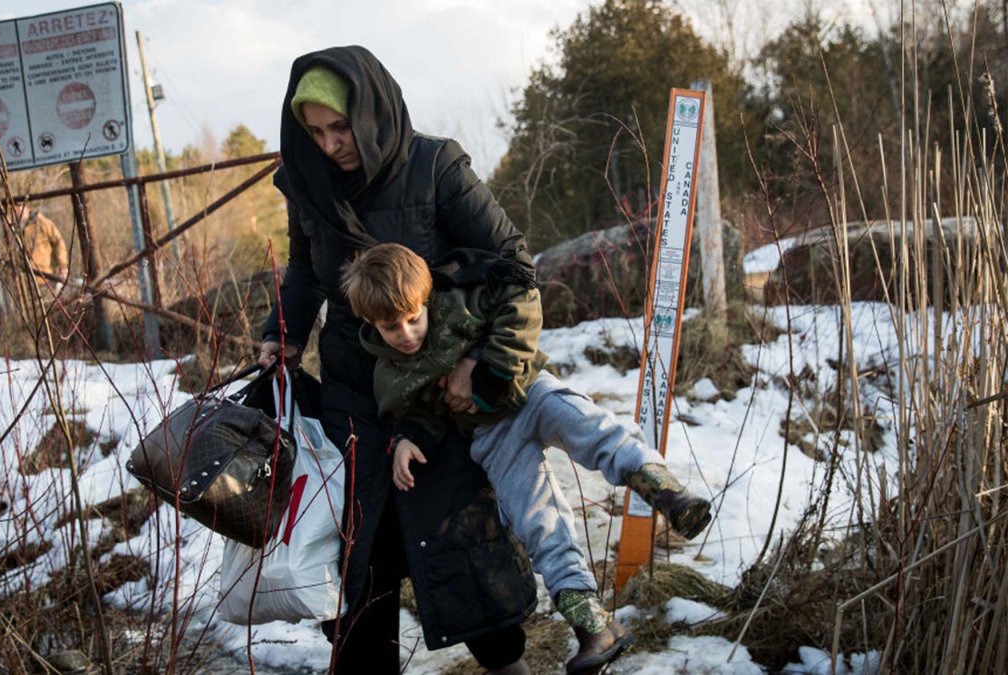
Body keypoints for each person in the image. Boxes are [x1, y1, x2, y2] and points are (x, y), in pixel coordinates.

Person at [257, 46, 538, 673]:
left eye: (341, 127)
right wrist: (284, 330)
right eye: (316, 132)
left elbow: (514, 268)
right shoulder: (308, 183)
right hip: (354, 399)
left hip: (437, 394)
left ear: (373, 109)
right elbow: (305, 269)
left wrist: (482, 366)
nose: (331, 145)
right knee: (359, 569)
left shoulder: (437, 166)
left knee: (462, 553)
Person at [341, 242, 715, 673]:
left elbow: (521, 308)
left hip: (530, 391)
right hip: (491, 438)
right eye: (392, 327)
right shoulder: (390, 375)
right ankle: (594, 627)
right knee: (541, 523)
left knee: (594, 431)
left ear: (426, 301)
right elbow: (420, 414)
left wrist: (491, 372)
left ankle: (670, 495)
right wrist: (407, 439)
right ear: (370, 324)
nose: (407, 333)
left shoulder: (460, 302)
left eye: (413, 318)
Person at [13, 203, 68, 279]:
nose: (18, 211)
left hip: (48, 275)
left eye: (20, 208)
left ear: (27, 208)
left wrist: (63, 265)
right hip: (29, 277)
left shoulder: (42, 223)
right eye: (15, 209)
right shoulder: (16, 230)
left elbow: (58, 243)